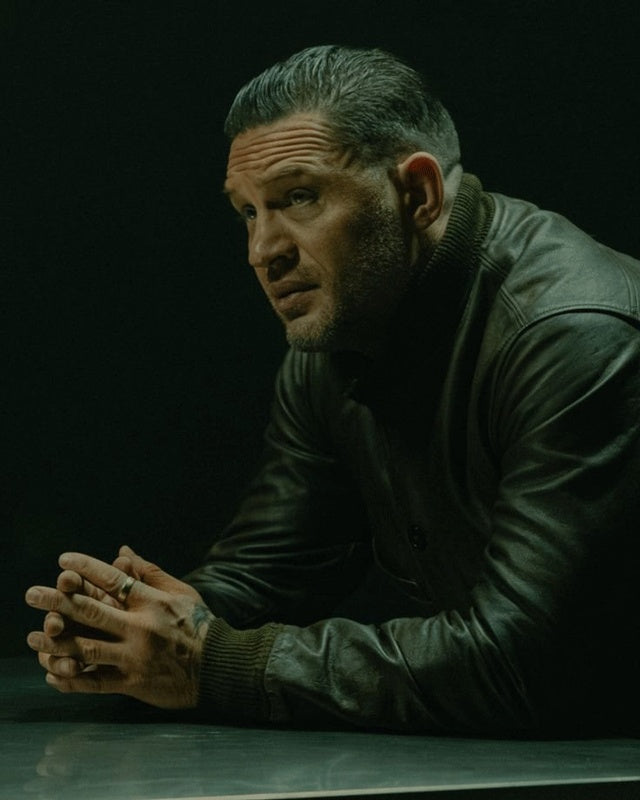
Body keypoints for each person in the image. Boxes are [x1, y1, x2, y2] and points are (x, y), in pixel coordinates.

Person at [25, 45, 640, 736]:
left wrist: (211, 661)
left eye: (299, 197)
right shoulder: (340, 333)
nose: (263, 250)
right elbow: (273, 568)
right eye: (248, 212)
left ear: (418, 194)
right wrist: (134, 624)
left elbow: (526, 662)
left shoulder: (575, 334)